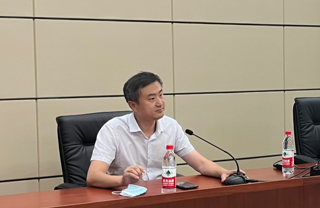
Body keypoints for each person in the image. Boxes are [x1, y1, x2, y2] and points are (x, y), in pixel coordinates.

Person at [87, 71, 242, 188]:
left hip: (161, 194)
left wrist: (222, 172)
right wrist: (123, 179)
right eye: (152, 98)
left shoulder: (171, 126)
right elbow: (93, 176)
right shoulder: (113, 130)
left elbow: (200, 163)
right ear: (133, 105)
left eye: (161, 95)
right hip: (125, 198)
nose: (160, 103)